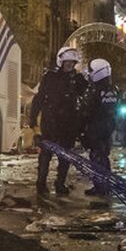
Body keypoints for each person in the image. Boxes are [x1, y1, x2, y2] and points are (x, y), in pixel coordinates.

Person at [30, 46, 88, 195]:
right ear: (61, 62)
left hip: (68, 125)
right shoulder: (50, 77)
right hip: (50, 123)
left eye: (72, 63)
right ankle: (41, 184)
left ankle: (60, 183)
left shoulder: (77, 79)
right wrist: (33, 120)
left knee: (65, 157)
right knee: (45, 155)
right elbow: (39, 98)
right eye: (67, 62)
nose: (70, 65)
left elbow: (86, 97)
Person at [81, 58, 117, 196]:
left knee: (97, 158)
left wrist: (83, 127)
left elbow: (89, 111)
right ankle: (104, 186)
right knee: (103, 157)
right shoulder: (112, 90)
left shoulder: (97, 90)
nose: (89, 74)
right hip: (107, 128)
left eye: (91, 71)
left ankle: (100, 187)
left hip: (97, 129)